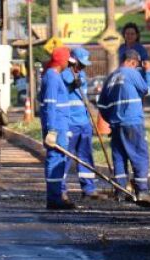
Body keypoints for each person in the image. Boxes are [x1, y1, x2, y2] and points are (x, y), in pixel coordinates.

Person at [98, 49, 150, 206]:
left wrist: (111, 120)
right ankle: (142, 191)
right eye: (136, 64)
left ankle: (120, 190)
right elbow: (148, 91)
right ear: (132, 62)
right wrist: (148, 72)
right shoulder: (131, 73)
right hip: (132, 123)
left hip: (116, 125)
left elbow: (102, 105)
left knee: (119, 158)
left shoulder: (110, 78)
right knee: (139, 156)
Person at [61, 47, 99, 200]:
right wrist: (73, 81)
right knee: (66, 157)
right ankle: (61, 189)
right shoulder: (64, 74)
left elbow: (80, 85)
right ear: (72, 60)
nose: (82, 67)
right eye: (80, 64)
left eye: (84, 65)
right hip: (70, 123)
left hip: (84, 122)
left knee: (85, 156)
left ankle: (89, 188)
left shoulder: (82, 74)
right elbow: (70, 83)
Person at [39, 47, 73, 210]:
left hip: (60, 127)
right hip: (56, 128)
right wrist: (51, 130)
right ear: (62, 60)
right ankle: (54, 198)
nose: (68, 63)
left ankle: (58, 195)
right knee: (55, 160)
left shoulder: (54, 76)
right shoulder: (52, 77)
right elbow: (50, 106)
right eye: (67, 60)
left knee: (60, 160)